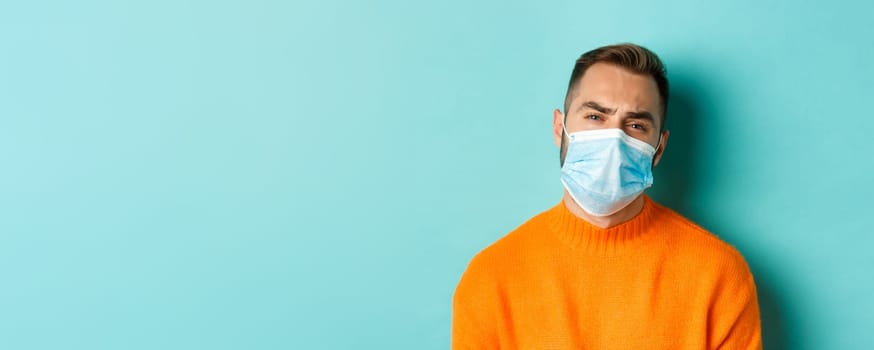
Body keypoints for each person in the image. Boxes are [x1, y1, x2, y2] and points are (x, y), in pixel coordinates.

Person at [451, 43, 762, 349]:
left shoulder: (718, 275)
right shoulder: (491, 278)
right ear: (560, 127)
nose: (615, 138)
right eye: (596, 117)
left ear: (660, 148)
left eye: (636, 125)